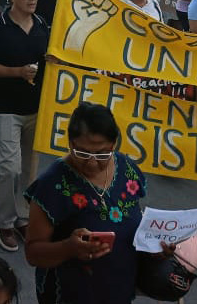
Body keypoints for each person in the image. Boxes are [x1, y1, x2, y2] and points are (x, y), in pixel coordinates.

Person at [24, 102, 148, 304]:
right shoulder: (52, 184)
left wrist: (157, 247)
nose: (91, 162)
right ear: (70, 143)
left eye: (101, 154)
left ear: (114, 144)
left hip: (119, 291)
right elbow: (33, 253)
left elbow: (136, 224)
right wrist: (68, 248)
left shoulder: (127, 170)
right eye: (82, 153)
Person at [0, 0, 47, 252]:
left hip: (37, 109)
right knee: (10, 169)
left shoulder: (42, 25)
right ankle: (5, 222)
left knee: (30, 170)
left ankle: (22, 217)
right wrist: (18, 72)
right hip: (7, 108)